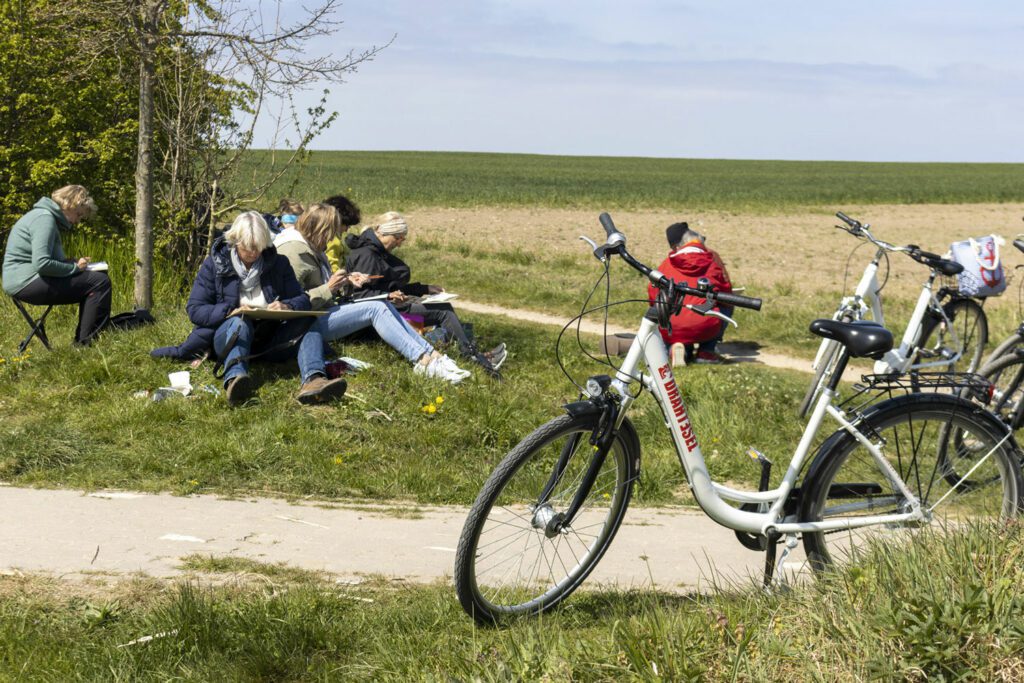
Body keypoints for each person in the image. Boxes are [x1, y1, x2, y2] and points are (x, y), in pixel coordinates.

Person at [274, 203, 470, 383]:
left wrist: (347, 279)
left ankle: (431, 356)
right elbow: (290, 303)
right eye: (331, 233)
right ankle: (422, 360)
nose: (333, 238)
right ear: (321, 230)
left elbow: (315, 284)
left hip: (319, 312)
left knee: (381, 306)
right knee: (376, 308)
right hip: (303, 324)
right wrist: (329, 288)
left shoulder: (310, 246)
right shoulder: (294, 252)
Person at [177, 211, 346, 406]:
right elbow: (195, 309)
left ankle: (314, 380)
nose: (253, 253)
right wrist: (228, 311)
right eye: (248, 247)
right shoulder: (213, 265)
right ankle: (235, 380)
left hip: (269, 338)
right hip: (229, 336)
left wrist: (287, 305)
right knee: (239, 322)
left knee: (307, 321)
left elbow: (300, 298)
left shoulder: (279, 263)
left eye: (258, 247)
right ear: (235, 241)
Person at [345, 211, 506, 377]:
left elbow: (386, 286)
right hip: (380, 315)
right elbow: (360, 297)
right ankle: (474, 357)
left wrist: (423, 289)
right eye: (398, 238)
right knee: (443, 311)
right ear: (387, 233)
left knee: (442, 312)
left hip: (390, 305)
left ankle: (473, 353)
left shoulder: (375, 251)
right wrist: (388, 296)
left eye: (402, 239)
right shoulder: (367, 256)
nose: (399, 244)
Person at [2, 185, 111, 346]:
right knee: (99, 282)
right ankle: (86, 343)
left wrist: (69, 263)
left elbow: (42, 260)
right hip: (26, 282)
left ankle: (87, 339)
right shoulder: (44, 219)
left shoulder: (44, 217)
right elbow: (42, 264)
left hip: (26, 280)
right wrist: (74, 268)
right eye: (78, 214)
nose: (77, 221)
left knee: (98, 279)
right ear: (69, 205)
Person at [648, 222, 733, 365]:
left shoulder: (666, 264)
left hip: (673, 327)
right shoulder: (712, 260)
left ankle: (675, 348)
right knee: (727, 304)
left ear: (676, 247)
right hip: (706, 326)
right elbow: (727, 294)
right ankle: (706, 351)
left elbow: (653, 296)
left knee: (672, 318)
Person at [323, 194, 363, 272]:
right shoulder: (333, 240)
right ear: (337, 221)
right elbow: (332, 265)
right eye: (346, 225)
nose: (347, 230)